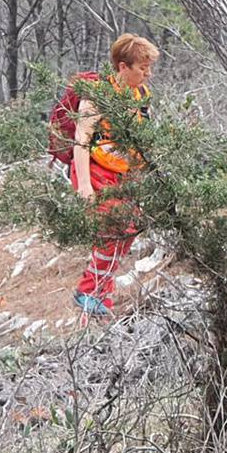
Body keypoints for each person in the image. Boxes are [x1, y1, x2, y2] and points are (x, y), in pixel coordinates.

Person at [69, 33, 159, 317]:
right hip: (95, 171)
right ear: (123, 67)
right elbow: (81, 140)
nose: (147, 74)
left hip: (125, 174)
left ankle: (99, 292)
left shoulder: (140, 96)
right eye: (142, 68)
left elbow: (141, 138)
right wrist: (84, 185)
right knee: (114, 227)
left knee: (130, 229)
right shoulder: (97, 96)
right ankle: (89, 292)